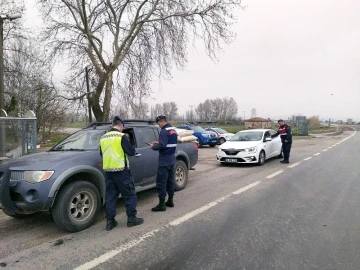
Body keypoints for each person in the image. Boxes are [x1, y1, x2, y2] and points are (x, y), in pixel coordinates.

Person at [99, 116, 144, 231]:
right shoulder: (121, 136)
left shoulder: (103, 138)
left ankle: (110, 222)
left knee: (111, 196)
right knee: (129, 194)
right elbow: (131, 152)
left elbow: (101, 154)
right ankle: (131, 219)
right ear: (121, 126)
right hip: (121, 171)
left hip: (108, 171)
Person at [149, 115, 178, 212]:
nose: (159, 125)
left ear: (162, 121)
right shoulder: (173, 130)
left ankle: (161, 204)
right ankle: (170, 200)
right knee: (170, 181)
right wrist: (158, 142)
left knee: (161, 182)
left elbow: (162, 145)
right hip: (172, 159)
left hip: (164, 160)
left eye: (158, 124)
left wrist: (153, 147)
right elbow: (168, 143)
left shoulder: (164, 131)